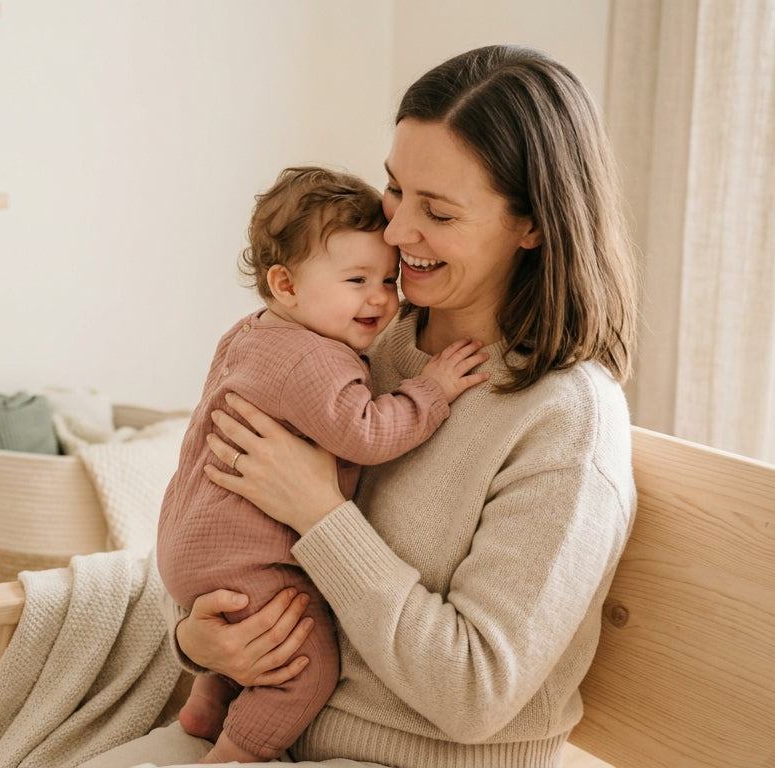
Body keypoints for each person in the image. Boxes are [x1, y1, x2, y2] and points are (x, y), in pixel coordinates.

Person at [85, 43, 639, 768]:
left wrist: (320, 513)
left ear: (531, 225)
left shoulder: (564, 421)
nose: (398, 231)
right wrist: (197, 638)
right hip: (273, 732)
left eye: (436, 211)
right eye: (395, 190)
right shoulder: (355, 340)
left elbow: (475, 693)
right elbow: (217, 531)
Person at [156, 166, 491, 764]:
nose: (381, 298)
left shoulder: (248, 333)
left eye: (387, 280)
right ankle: (234, 752)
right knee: (305, 662)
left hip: (190, 542)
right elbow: (365, 432)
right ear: (284, 284)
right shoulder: (320, 360)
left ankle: (208, 701)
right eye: (357, 279)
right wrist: (430, 391)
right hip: (247, 556)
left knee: (252, 632)